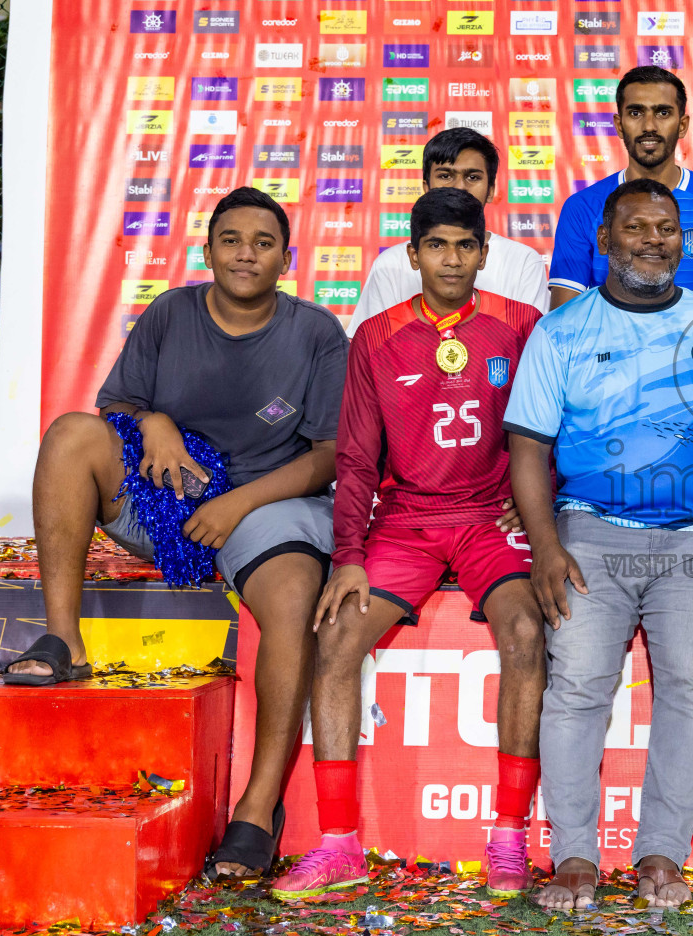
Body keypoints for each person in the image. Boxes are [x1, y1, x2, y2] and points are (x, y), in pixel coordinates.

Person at [6, 188, 348, 880]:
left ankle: (256, 810)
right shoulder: (170, 312)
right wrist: (155, 423)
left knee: (290, 599)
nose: (245, 252)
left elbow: (326, 455)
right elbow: (116, 406)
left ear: (287, 257)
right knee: (73, 434)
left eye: (262, 241)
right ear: (208, 251)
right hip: (169, 499)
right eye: (230, 239)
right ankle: (63, 637)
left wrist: (237, 505)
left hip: (267, 503)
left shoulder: (315, 332)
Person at [504, 179, 693, 911]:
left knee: (686, 692)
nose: (654, 241)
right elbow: (528, 446)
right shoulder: (561, 332)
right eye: (637, 228)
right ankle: (574, 858)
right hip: (590, 531)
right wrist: (548, 547)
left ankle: (661, 855)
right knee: (578, 692)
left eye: (668, 229)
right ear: (604, 240)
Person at [269, 189, 544, 900]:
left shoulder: (522, 326)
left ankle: (508, 838)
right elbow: (357, 459)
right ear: (412, 254)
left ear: (485, 253)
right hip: (405, 523)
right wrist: (350, 556)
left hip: (487, 519)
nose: (452, 260)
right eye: (437, 246)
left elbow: (552, 427)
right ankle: (337, 846)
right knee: (334, 642)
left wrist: (534, 494)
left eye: (465, 245)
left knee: (524, 630)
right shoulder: (378, 336)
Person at [547, 66, 693, 308]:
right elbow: (563, 315)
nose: (649, 126)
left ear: (682, 124)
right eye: (636, 113)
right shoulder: (582, 206)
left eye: (663, 113)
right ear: (619, 124)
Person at [347, 127, 549, 333]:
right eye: (445, 176)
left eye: (472, 177)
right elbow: (372, 346)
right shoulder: (388, 264)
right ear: (426, 187)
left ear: (491, 191)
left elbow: (530, 349)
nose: (459, 187)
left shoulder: (523, 262)